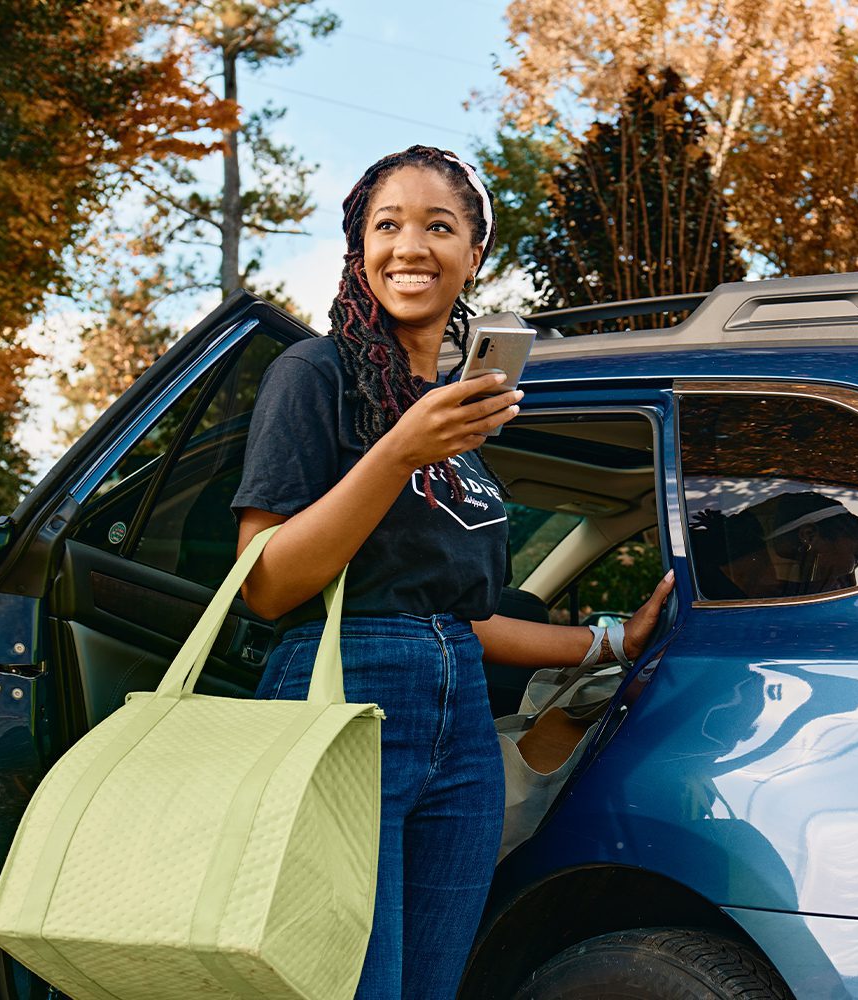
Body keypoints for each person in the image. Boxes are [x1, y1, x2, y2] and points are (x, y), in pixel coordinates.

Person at [228, 145, 674, 1000]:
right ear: (358, 249)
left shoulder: (462, 425)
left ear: (474, 254)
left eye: (440, 226)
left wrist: (614, 639)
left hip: (460, 720)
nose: (410, 247)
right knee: (349, 985)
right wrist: (397, 452)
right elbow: (269, 583)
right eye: (386, 225)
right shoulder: (313, 377)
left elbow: (462, 617)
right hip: (339, 696)